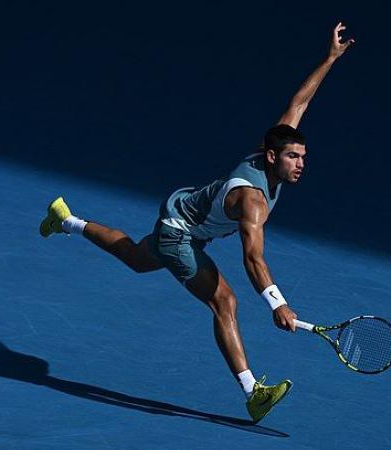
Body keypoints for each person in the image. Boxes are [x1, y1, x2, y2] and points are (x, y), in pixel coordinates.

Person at [39, 22, 354, 423]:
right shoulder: (253, 202)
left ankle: (65, 220)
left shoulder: (269, 150)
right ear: (273, 157)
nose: (301, 164)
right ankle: (253, 393)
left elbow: (299, 102)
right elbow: (253, 260)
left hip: (186, 213)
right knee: (225, 301)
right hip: (181, 233)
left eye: (303, 157)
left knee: (136, 257)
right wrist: (278, 303)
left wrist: (329, 59)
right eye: (294, 157)